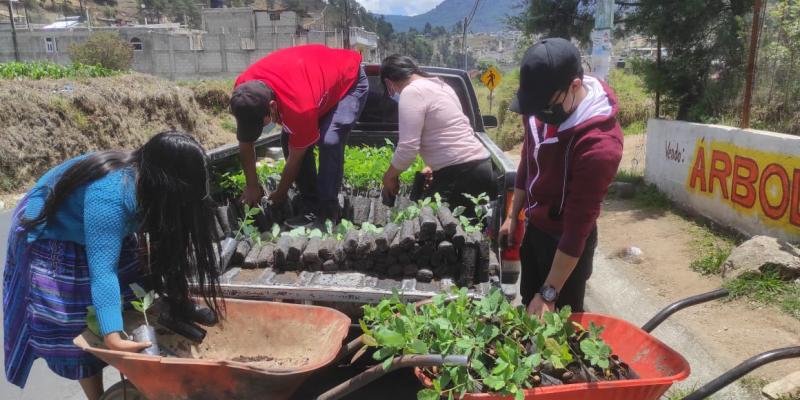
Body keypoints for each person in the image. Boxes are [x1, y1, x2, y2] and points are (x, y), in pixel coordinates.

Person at [3, 131, 223, 400]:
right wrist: (112, 336)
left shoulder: (149, 188)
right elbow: (103, 273)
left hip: (96, 223)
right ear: (167, 184)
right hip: (51, 226)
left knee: (132, 293)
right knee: (75, 318)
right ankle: (97, 397)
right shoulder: (112, 196)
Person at [498, 38, 623, 317]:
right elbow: (528, 159)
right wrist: (512, 214)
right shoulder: (540, 106)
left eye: (545, 107)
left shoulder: (599, 147)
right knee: (528, 303)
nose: (539, 115)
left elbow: (578, 227)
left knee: (561, 326)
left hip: (567, 242)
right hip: (536, 229)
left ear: (574, 87)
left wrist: (550, 292)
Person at [230, 44, 369, 227]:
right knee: (289, 138)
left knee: (330, 140)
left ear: (272, 107)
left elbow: (296, 159)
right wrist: (251, 185)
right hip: (313, 83)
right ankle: (309, 205)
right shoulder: (242, 90)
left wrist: (280, 194)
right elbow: (245, 142)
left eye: (260, 124)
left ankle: (327, 211)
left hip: (349, 81)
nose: (259, 130)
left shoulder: (299, 107)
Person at [380, 55, 495, 212]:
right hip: (480, 165)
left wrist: (389, 176)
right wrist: (434, 166)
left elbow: (408, 148)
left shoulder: (412, 91)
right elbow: (449, 129)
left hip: (460, 172)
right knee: (468, 231)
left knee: (441, 230)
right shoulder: (441, 86)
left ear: (388, 82)